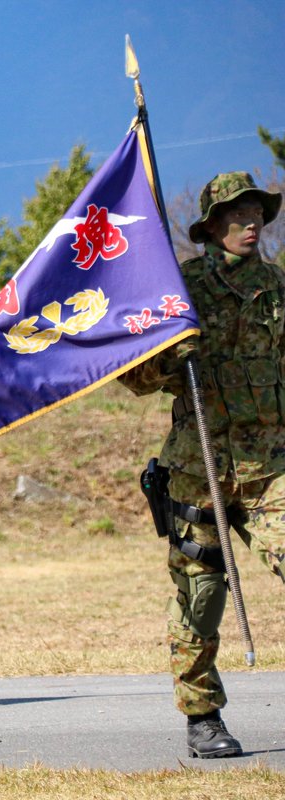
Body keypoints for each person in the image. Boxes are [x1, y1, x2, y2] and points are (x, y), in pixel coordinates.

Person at [119, 172, 283, 758]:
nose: (251, 223)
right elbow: (132, 376)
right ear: (211, 226)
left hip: (271, 465)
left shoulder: (277, 289)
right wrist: (168, 359)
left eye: (257, 212)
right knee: (201, 591)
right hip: (200, 466)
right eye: (237, 214)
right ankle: (203, 716)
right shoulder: (179, 290)